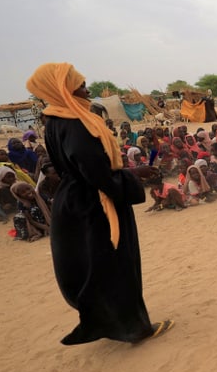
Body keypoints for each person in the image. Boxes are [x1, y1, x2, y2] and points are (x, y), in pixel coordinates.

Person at [26, 62, 172, 345]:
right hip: (95, 203)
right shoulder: (74, 124)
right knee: (116, 263)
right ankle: (133, 328)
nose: (87, 89)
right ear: (63, 89)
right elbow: (95, 171)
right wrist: (133, 174)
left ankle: (109, 322)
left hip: (79, 198)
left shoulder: (55, 120)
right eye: (79, 85)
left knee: (99, 264)